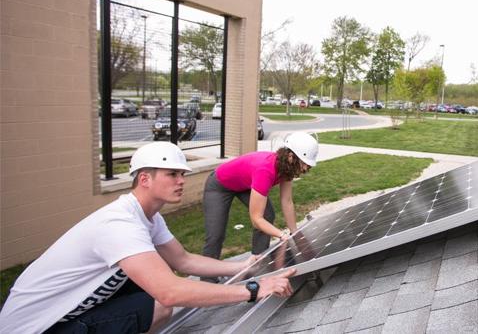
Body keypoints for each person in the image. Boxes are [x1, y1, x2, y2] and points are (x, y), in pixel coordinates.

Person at [0, 142, 296, 334]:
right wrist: (255, 288)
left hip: (64, 314)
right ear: (145, 179)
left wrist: (245, 266)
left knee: (154, 286)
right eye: (172, 174)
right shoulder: (119, 224)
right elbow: (171, 293)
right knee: (159, 303)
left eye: (182, 173)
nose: (181, 180)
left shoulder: (147, 217)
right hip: (37, 328)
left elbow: (184, 260)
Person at [201, 132, 318, 270]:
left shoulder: (287, 168)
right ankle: (208, 278)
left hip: (244, 183)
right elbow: (256, 219)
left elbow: (286, 201)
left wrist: (295, 233)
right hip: (219, 185)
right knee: (216, 235)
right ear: (291, 157)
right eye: (304, 164)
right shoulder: (265, 170)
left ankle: (258, 259)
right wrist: (281, 235)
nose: (305, 169)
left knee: (268, 215)